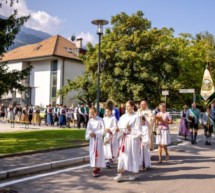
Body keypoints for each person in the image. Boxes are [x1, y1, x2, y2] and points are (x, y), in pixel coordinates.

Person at [114, 100, 142, 182]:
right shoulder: (123, 117)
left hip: (132, 139)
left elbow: (139, 130)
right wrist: (118, 130)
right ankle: (120, 174)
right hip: (124, 139)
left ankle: (133, 173)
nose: (127, 108)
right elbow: (119, 127)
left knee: (132, 156)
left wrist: (131, 129)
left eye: (129, 106)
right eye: (126, 106)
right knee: (122, 156)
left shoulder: (136, 117)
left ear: (133, 107)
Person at [85, 107, 105, 177]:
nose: (92, 115)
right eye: (90, 113)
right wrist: (90, 134)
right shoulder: (90, 121)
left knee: (98, 153)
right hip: (92, 140)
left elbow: (103, 130)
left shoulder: (100, 120)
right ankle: (95, 167)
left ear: (96, 113)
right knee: (93, 153)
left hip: (98, 140)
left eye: (93, 113)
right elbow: (88, 130)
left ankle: (97, 167)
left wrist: (96, 133)